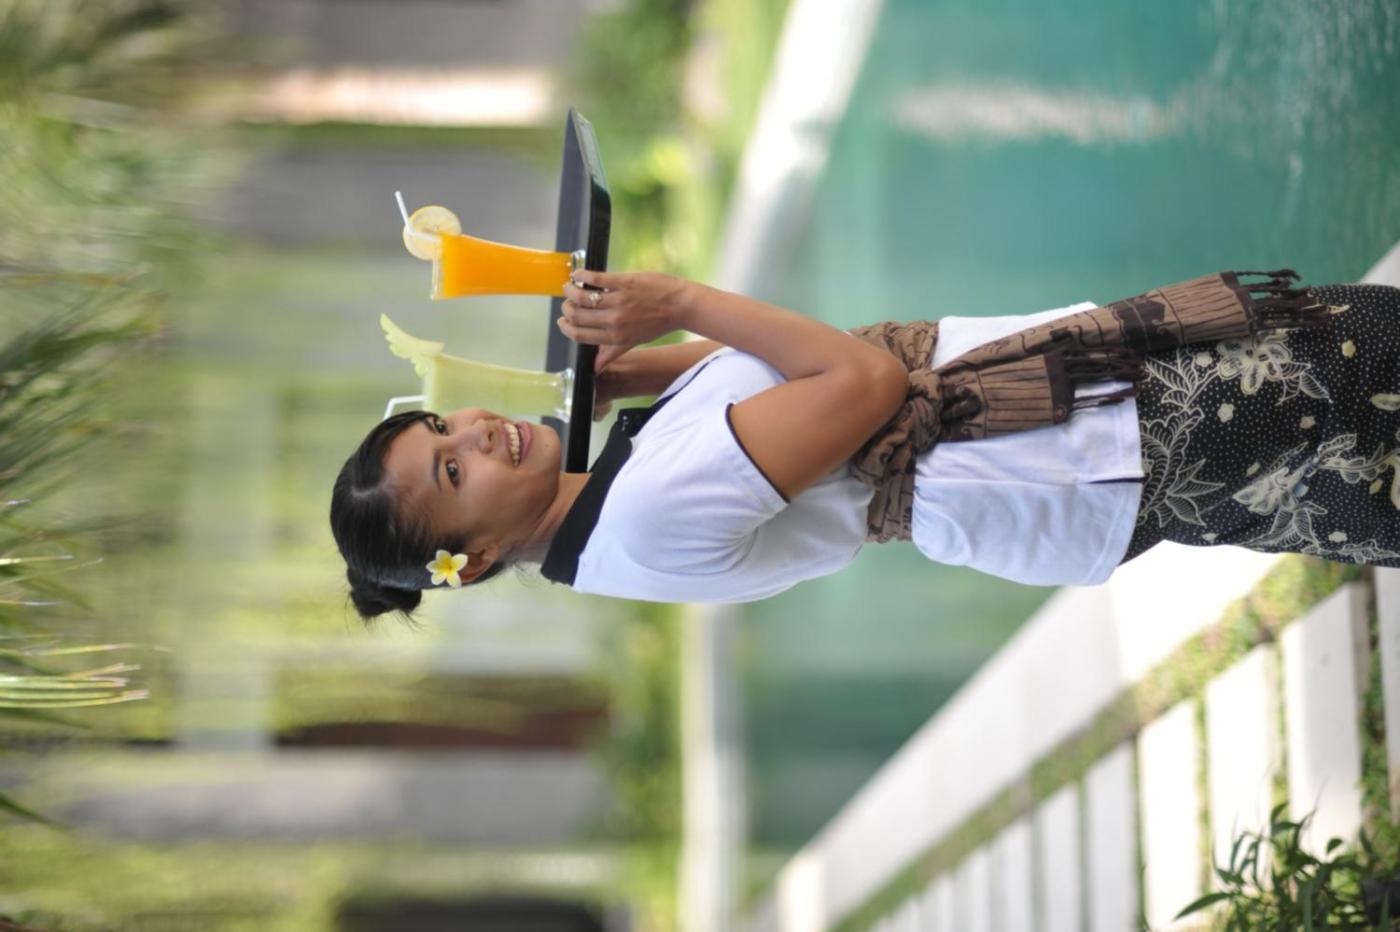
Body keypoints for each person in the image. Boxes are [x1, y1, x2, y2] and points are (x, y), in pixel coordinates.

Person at [329, 269, 1400, 622]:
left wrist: (641, 369)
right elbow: (860, 383)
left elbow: (760, 388)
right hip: (1067, 437)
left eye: (444, 426)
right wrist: (680, 299)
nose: (476, 431)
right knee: (1358, 371)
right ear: (471, 557)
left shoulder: (613, 505)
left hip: (1070, 438)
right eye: (453, 471)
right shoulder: (644, 513)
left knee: (1358, 466)